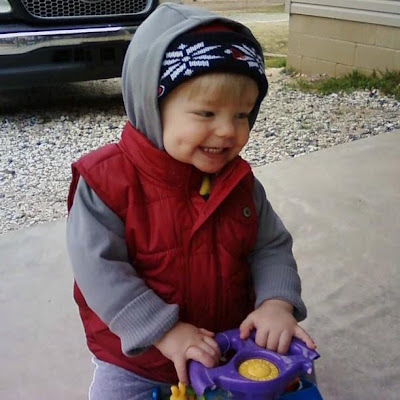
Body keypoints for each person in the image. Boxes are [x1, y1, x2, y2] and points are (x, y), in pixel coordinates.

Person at [66, 3, 316, 400]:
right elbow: (99, 272)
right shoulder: (106, 183)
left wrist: (276, 303)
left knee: (298, 382)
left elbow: (270, 247)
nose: (228, 130)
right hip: (141, 362)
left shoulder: (239, 183)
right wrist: (163, 331)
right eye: (206, 112)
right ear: (152, 106)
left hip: (228, 351)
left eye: (242, 114)